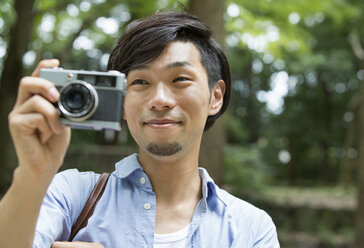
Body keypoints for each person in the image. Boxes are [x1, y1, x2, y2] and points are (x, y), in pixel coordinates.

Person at [0, 11, 279, 248]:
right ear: (120, 101)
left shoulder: (250, 229)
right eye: (140, 82)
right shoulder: (70, 195)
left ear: (215, 97)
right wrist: (33, 173)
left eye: (179, 79)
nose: (159, 100)